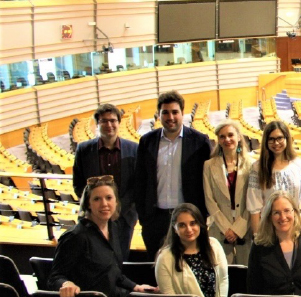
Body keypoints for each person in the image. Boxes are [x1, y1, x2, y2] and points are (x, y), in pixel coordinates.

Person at [48, 176, 156, 297]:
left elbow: (114, 272)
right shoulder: (76, 237)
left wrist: (136, 287)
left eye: (108, 198)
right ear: (88, 204)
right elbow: (55, 277)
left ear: (116, 201)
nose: (104, 204)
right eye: (97, 199)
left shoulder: (113, 227)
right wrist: (66, 284)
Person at [134, 91, 212, 260]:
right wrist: (144, 217)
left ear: (182, 113)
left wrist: (202, 216)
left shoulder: (200, 142)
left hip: (189, 220)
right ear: (158, 115)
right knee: (158, 268)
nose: (171, 117)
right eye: (166, 112)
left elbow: (208, 181)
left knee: (190, 266)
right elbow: (140, 181)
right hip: (155, 219)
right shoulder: (147, 141)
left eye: (175, 112)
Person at [72, 103, 138, 261]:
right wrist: (94, 208)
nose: (109, 125)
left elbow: (137, 185)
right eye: (104, 121)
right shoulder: (84, 149)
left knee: (120, 260)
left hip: (124, 217)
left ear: (119, 123)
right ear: (97, 124)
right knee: (95, 260)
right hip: (93, 218)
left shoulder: (134, 149)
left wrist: (117, 209)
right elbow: (78, 183)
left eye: (113, 120)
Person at [155, 203, 228, 297]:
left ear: (200, 224)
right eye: (182, 225)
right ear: (174, 228)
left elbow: (223, 281)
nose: (189, 229)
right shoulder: (165, 258)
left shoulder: (214, 246)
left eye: (193, 223)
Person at [202, 120, 252, 264]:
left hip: (245, 229)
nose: (227, 139)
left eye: (230, 135)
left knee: (245, 274)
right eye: (222, 137)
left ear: (238, 137)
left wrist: (238, 229)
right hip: (219, 229)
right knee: (222, 275)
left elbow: (253, 200)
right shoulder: (209, 165)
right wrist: (226, 229)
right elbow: (209, 200)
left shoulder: (251, 165)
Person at [247, 120, 301, 234]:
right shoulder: (257, 168)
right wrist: (257, 238)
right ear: (266, 141)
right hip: (269, 230)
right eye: (271, 139)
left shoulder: (298, 164)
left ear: (286, 138)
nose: (276, 143)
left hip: (294, 228)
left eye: (280, 138)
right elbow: (254, 208)